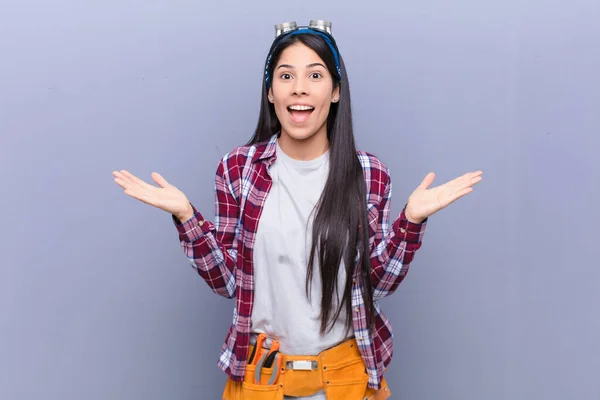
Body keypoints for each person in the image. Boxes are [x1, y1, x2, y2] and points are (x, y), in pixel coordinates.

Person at [113, 20, 482, 400]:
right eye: (285, 75)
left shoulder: (369, 174)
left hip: (345, 378)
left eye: (315, 74)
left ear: (336, 91)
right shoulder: (238, 169)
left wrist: (411, 223)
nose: (300, 88)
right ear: (271, 92)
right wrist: (187, 217)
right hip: (262, 377)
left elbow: (379, 284)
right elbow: (228, 283)